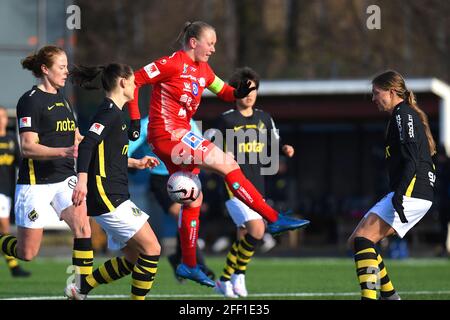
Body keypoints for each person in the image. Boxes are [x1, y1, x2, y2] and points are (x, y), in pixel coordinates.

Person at [127, 21, 310, 287]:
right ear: (193, 42)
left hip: (182, 134)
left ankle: (188, 264)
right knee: (227, 162)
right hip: (167, 135)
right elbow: (135, 80)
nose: (213, 49)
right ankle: (272, 218)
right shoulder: (171, 63)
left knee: (193, 200)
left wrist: (237, 92)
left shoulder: (203, 70)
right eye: (210, 43)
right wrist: (134, 119)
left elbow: (222, 91)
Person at [65, 63, 161, 300]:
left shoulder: (115, 114)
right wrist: (82, 182)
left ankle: (81, 288)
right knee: (153, 249)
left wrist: (136, 163)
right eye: (133, 81)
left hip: (113, 194)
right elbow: (87, 144)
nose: (136, 85)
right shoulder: (108, 112)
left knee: (133, 258)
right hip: (109, 195)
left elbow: (106, 154)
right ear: (123, 82)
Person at [0, 46, 93, 290]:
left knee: (83, 227)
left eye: (66, 67)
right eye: (61, 67)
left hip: (64, 178)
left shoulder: (63, 98)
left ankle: (79, 289)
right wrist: (63, 151)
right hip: (35, 183)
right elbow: (28, 147)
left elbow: (75, 138)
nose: (66, 72)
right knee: (28, 252)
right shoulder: (30, 102)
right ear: (45, 69)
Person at [348, 70, 436, 300]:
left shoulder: (402, 114)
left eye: (376, 93)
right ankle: (390, 296)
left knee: (363, 240)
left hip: (412, 190)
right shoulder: (400, 115)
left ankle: (371, 297)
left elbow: (411, 159)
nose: (373, 98)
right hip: (410, 190)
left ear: (392, 91)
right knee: (357, 241)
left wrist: (399, 194)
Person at [210, 67, 298, 298]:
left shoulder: (264, 118)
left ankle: (226, 279)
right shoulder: (225, 120)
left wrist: (284, 148)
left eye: (254, 89)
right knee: (257, 230)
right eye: (245, 89)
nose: (250, 94)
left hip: (258, 185)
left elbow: (275, 141)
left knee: (244, 234)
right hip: (234, 187)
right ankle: (236, 276)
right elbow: (208, 148)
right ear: (235, 92)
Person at [128, 116, 215, 282]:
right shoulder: (147, 124)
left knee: (187, 218)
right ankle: (199, 264)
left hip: (185, 175)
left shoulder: (187, 121)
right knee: (181, 215)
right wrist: (130, 162)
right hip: (161, 180)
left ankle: (178, 257)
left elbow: (200, 145)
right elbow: (128, 148)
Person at [0, 106, 31, 277]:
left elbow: (21, 163)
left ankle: (14, 267)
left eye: (3, 116)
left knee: (4, 229)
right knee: (4, 227)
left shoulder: (12, 140)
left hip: (7, 191)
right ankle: (14, 268)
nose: (0, 119)